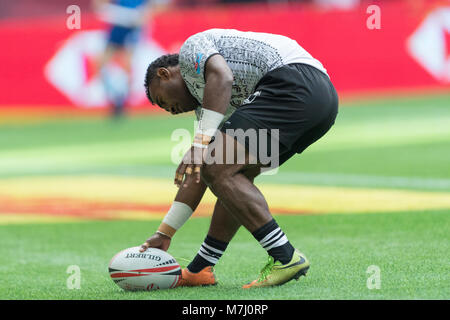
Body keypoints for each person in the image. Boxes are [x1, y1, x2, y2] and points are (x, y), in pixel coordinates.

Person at [140, 28, 338, 288]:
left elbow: (222, 76)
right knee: (231, 175)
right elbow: (200, 174)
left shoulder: (191, 50)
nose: (170, 110)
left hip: (294, 83)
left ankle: (285, 256)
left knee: (218, 167)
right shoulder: (210, 106)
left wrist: (200, 144)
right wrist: (165, 233)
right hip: (319, 101)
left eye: (161, 100)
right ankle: (202, 267)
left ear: (164, 74)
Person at [92, 0, 166, 118]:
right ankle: (114, 98)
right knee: (101, 64)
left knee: (127, 63)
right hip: (117, 25)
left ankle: (122, 101)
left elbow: (156, 6)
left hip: (132, 26)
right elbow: (99, 5)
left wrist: (144, 15)